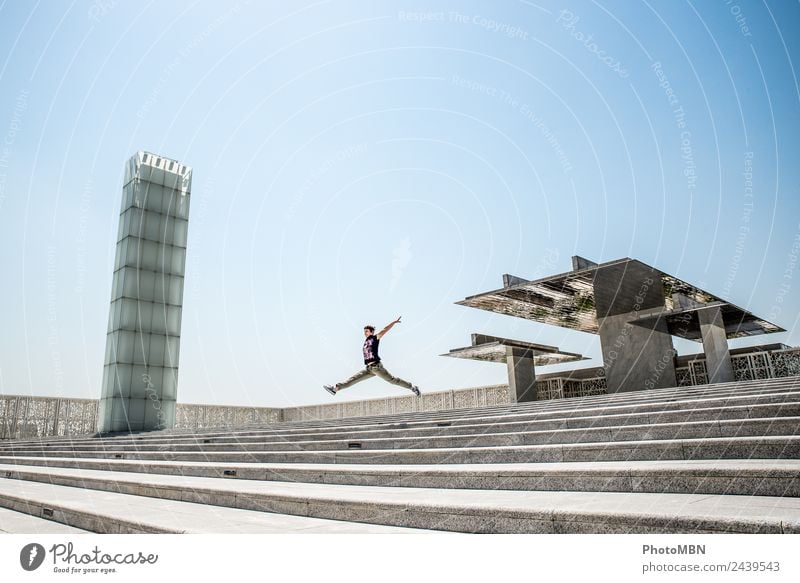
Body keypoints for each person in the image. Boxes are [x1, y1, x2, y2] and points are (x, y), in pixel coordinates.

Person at [324, 317, 420, 396]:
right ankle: (335, 389)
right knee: (353, 380)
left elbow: (384, 330)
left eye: (366, 331)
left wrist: (393, 322)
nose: (364, 333)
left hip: (377, 367)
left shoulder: (375, 338)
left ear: (371, 332)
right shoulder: (366, 342)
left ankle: (412, 387)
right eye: (364, 331)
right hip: (369, 369)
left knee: (392, 380)